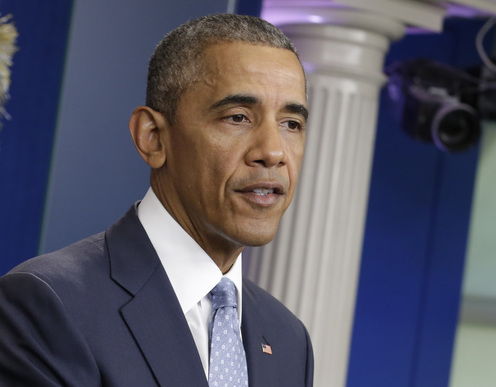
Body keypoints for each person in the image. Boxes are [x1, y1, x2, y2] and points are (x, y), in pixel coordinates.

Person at [0, 13, 313, 387]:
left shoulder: (289, 338)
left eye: (291, 124)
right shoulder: (47, 303)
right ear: (153, 137)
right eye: (238, 117)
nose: (273, 152)